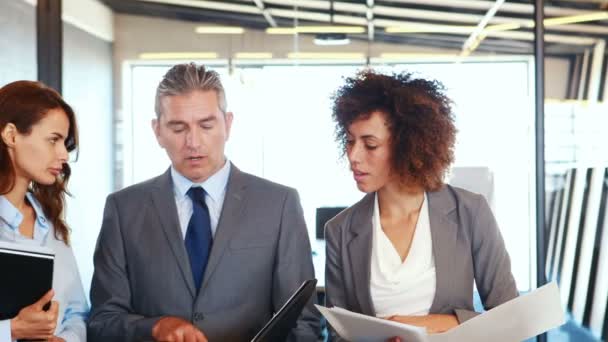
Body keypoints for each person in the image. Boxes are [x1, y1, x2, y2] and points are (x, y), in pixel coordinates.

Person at [88, 63, 319, 342]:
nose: (193, 142)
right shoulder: (124, 209)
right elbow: (102, 322)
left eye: (206, 125)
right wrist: (154, 327)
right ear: (157, 131)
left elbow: (302, 324)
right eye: (178, 127)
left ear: (228, 124)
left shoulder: (279, 204)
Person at [324, 70, 517, 340]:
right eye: (350, 142)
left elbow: (510, 318)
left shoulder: (470, 212)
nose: (354, 156)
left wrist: (435, 323)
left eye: (370, 144)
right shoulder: (341, 230)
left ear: (407, 145)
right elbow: (337, 334)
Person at [0, 80, 88, 341]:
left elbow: (77, 311)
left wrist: (66, 339)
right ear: (11, 135)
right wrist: (11, 331)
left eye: (65, 142)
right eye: (53, 140)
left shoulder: (49, 222)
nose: (63, 154)